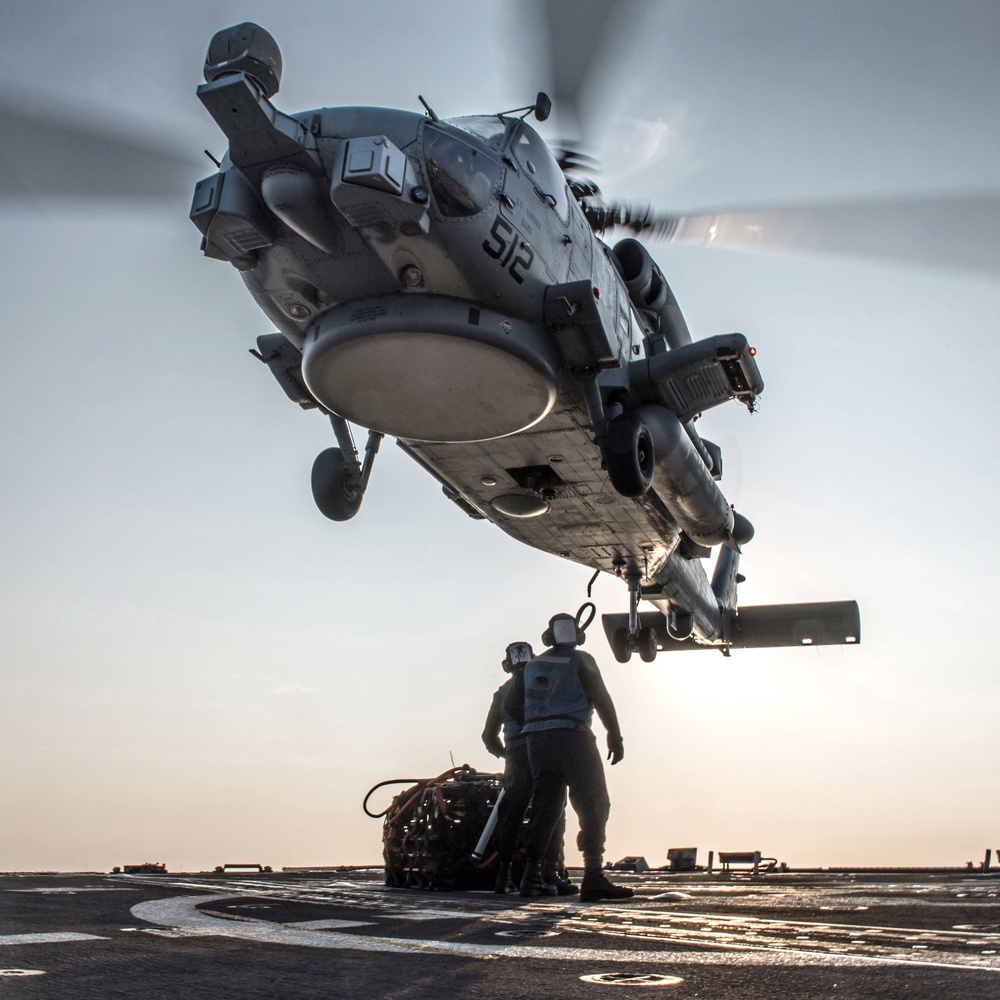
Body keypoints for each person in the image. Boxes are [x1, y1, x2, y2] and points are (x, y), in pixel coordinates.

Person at [505, 610, 633, 902]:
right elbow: (601, 698)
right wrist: (615, 735)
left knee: (545, 808)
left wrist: (533, 725)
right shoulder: (581, 660)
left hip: (538, 744)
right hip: (574, 739)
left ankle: (531, 878)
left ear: (547, 638)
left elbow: (512, 705)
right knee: (593, 803)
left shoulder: (531, 666)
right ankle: (593, 875)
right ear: (578, 636)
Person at [482, 642, 575, 895]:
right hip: (543, 750)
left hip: (516, 754)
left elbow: (488, 736)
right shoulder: (546, 684)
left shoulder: (502, 693)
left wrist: (506, 754)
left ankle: (504, 876)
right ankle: (548, 873)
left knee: (512, 811)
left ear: (506, 666)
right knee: (553, 809)